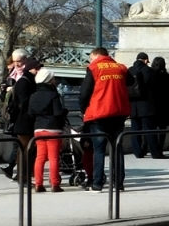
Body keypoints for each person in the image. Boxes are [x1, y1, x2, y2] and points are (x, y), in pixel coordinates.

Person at [79, 46, 130, 192]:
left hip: (100, 114)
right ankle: (119, 183)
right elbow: (130, 81)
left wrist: (84, 110)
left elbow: (84, 93)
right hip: (119, 113)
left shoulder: (94, 67)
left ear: (96, 56)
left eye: (91, 58)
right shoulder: (120, 67)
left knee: (99, 149)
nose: (90, 60)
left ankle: (97, 184)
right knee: (117, 148)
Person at [28, 68, 68, 192]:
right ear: (49, 80)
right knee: (53, 158)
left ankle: (38, 184)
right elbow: (57, 112)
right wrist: (65, 111)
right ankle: (55, 184)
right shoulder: (53, 94)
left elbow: (30, 113)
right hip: (53, 128)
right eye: (53, 78)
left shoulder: (33, 95)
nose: (55, 80)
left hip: (38, 128)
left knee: (40, 157)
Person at [0, 48, 31, 179]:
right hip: (13, 113)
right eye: (15, 61)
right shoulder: (12, 74)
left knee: (19, 144)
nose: (17, 64)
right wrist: (6, 90)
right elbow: (3, 96)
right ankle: (14, 169)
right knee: (17, 143)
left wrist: (15, 90)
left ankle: (15, 169)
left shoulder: (28, 75)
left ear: (25, 60)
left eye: (19, 61)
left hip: (22, 115)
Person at [126, 52, 158, 159]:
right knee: (149, 129)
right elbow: (154, 86)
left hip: (133, 105)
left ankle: (137, 152)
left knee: (135, 130)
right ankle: (155, 152)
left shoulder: (129, 70)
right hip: (146, 105)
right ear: (145, 60)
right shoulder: (148, 70)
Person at [147, 57, 169, 158]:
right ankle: (160, 149)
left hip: (152, 106)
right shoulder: (167, 77)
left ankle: (149, 148)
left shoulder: (151, 75)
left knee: (151, 129)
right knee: (162, 130)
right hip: (164, 107)